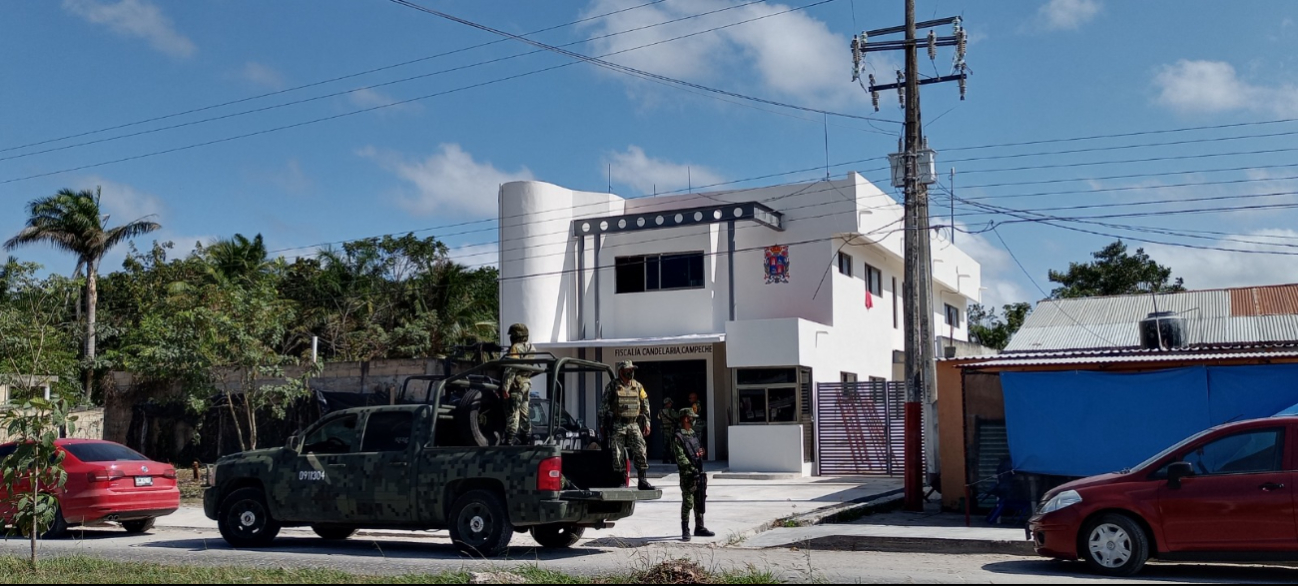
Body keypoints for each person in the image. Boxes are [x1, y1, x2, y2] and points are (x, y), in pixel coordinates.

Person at [600, 361, 655, 490]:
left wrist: (647, 422)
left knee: (641, 450)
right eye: (628, 369)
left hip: (633, 424)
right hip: (618, 424)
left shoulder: (638, 386)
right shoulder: (613, 386)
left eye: (632, 369)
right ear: (621, 371)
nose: (631, 372)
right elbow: (603, 406)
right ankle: (621, 480)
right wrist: (602, 424)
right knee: (617, 454)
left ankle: (642, 480)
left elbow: (645, 404)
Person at [672, 409, 712, 541]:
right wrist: (691, 468)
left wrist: (701, 452)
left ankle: (699, 527)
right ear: (685, 419)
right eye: (691, 417)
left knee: (699, 499)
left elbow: (697, 449)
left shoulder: (693, 433)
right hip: (688, 474)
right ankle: (685, 529)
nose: (693, 420)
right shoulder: (678, 436)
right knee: (688, 502)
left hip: (698, 471)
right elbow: (680, 457)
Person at [501, 323, 535, 446]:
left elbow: (511, 369)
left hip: (516, 385)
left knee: (513, 413)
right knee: (525, 414)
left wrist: (505, 387)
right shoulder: (532, 347)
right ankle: (527, 439)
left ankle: (509, 441)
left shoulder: (516, 348)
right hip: (526, 384)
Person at [658, 397, 678, 464]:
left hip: (664, 430)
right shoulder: (671, 411)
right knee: (672, 445)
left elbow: (659, 418)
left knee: (665, 445)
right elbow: (677, 416)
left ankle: (665, 459)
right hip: (671, 430)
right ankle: (673, 459)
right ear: (668, 403)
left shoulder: (661, 411)